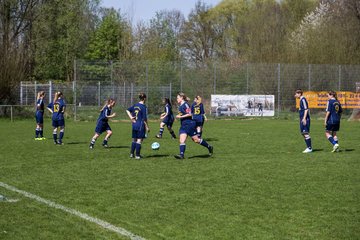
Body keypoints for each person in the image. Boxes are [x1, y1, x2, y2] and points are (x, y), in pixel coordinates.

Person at [174, 92, 213, 159]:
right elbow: (183, 113)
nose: (176, 99)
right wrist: (179, 116)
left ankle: (209, 147)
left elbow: (190, 114)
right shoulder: (181, 105)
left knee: (196, 140)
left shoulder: (185, 105)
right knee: (182, 140)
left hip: (190, 125)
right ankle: (181, 155)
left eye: (177, 98)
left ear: (181, 98)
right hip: (183, 126)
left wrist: (180, 117)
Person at [126, 93, 150, 159]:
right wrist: (147, 127)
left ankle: (131, 154)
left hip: (134, 124)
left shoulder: (135, 105)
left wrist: (131, 117)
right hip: (140, 125)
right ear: (145, 98)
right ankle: (137, 155)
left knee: (134, 140)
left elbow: (127, 110)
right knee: (139, 140)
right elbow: (145, 118)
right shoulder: (144, 107)